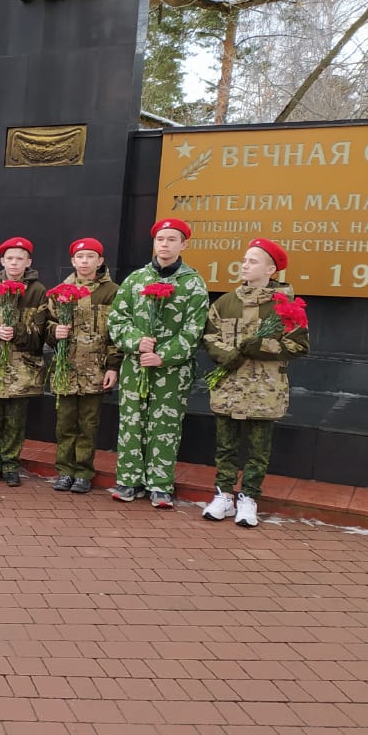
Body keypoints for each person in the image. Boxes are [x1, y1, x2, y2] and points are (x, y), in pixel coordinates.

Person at [201, 238, 310, 527]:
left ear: (270, 269)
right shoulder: (226, 302)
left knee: (258, 450)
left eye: (253, 261)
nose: (245, 265)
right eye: (244, 260)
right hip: (229, 386)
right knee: (225, 446)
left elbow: (299, 346)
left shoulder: (286, 306)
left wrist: (261, 346)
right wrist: (227, 355)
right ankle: (224, 495)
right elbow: (209, 336)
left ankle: (249, 497)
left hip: (264, 390)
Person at [107, 217, 209, 507]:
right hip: (136, 365)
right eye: (160, 239)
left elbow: (194, 329)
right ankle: (129, 480)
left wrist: (164, 355)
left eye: (172, 240)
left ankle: (160, 484)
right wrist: (136, 341)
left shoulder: (193, 283)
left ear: (183, 244)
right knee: (131, 422)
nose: (165, 245)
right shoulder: (136, 279)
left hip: (172, 370)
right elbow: (117, 319)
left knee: (165, 424)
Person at [44, 237, 120, 494]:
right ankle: (65, 471)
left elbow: (116, 334)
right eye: (80, 257)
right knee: (65, 424)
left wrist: (113, 366)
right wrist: (55, 331)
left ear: (100, 261)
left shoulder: (111, 292)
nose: (85, 261)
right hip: (66, 369)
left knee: (89, 424)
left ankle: (83, 472)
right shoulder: (60, 291)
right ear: (73, 261)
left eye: (90, 256)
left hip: (95, 370)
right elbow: (46, 324)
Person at [0, 236, 47, 486]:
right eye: (10, 258)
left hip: (22, 369)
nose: (14, 263)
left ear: (28, 262)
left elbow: (41, 332)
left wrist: (19, 331)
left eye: (20, 259)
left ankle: (11, 464)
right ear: (2, 261)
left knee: (15, 420)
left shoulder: (38, 291)